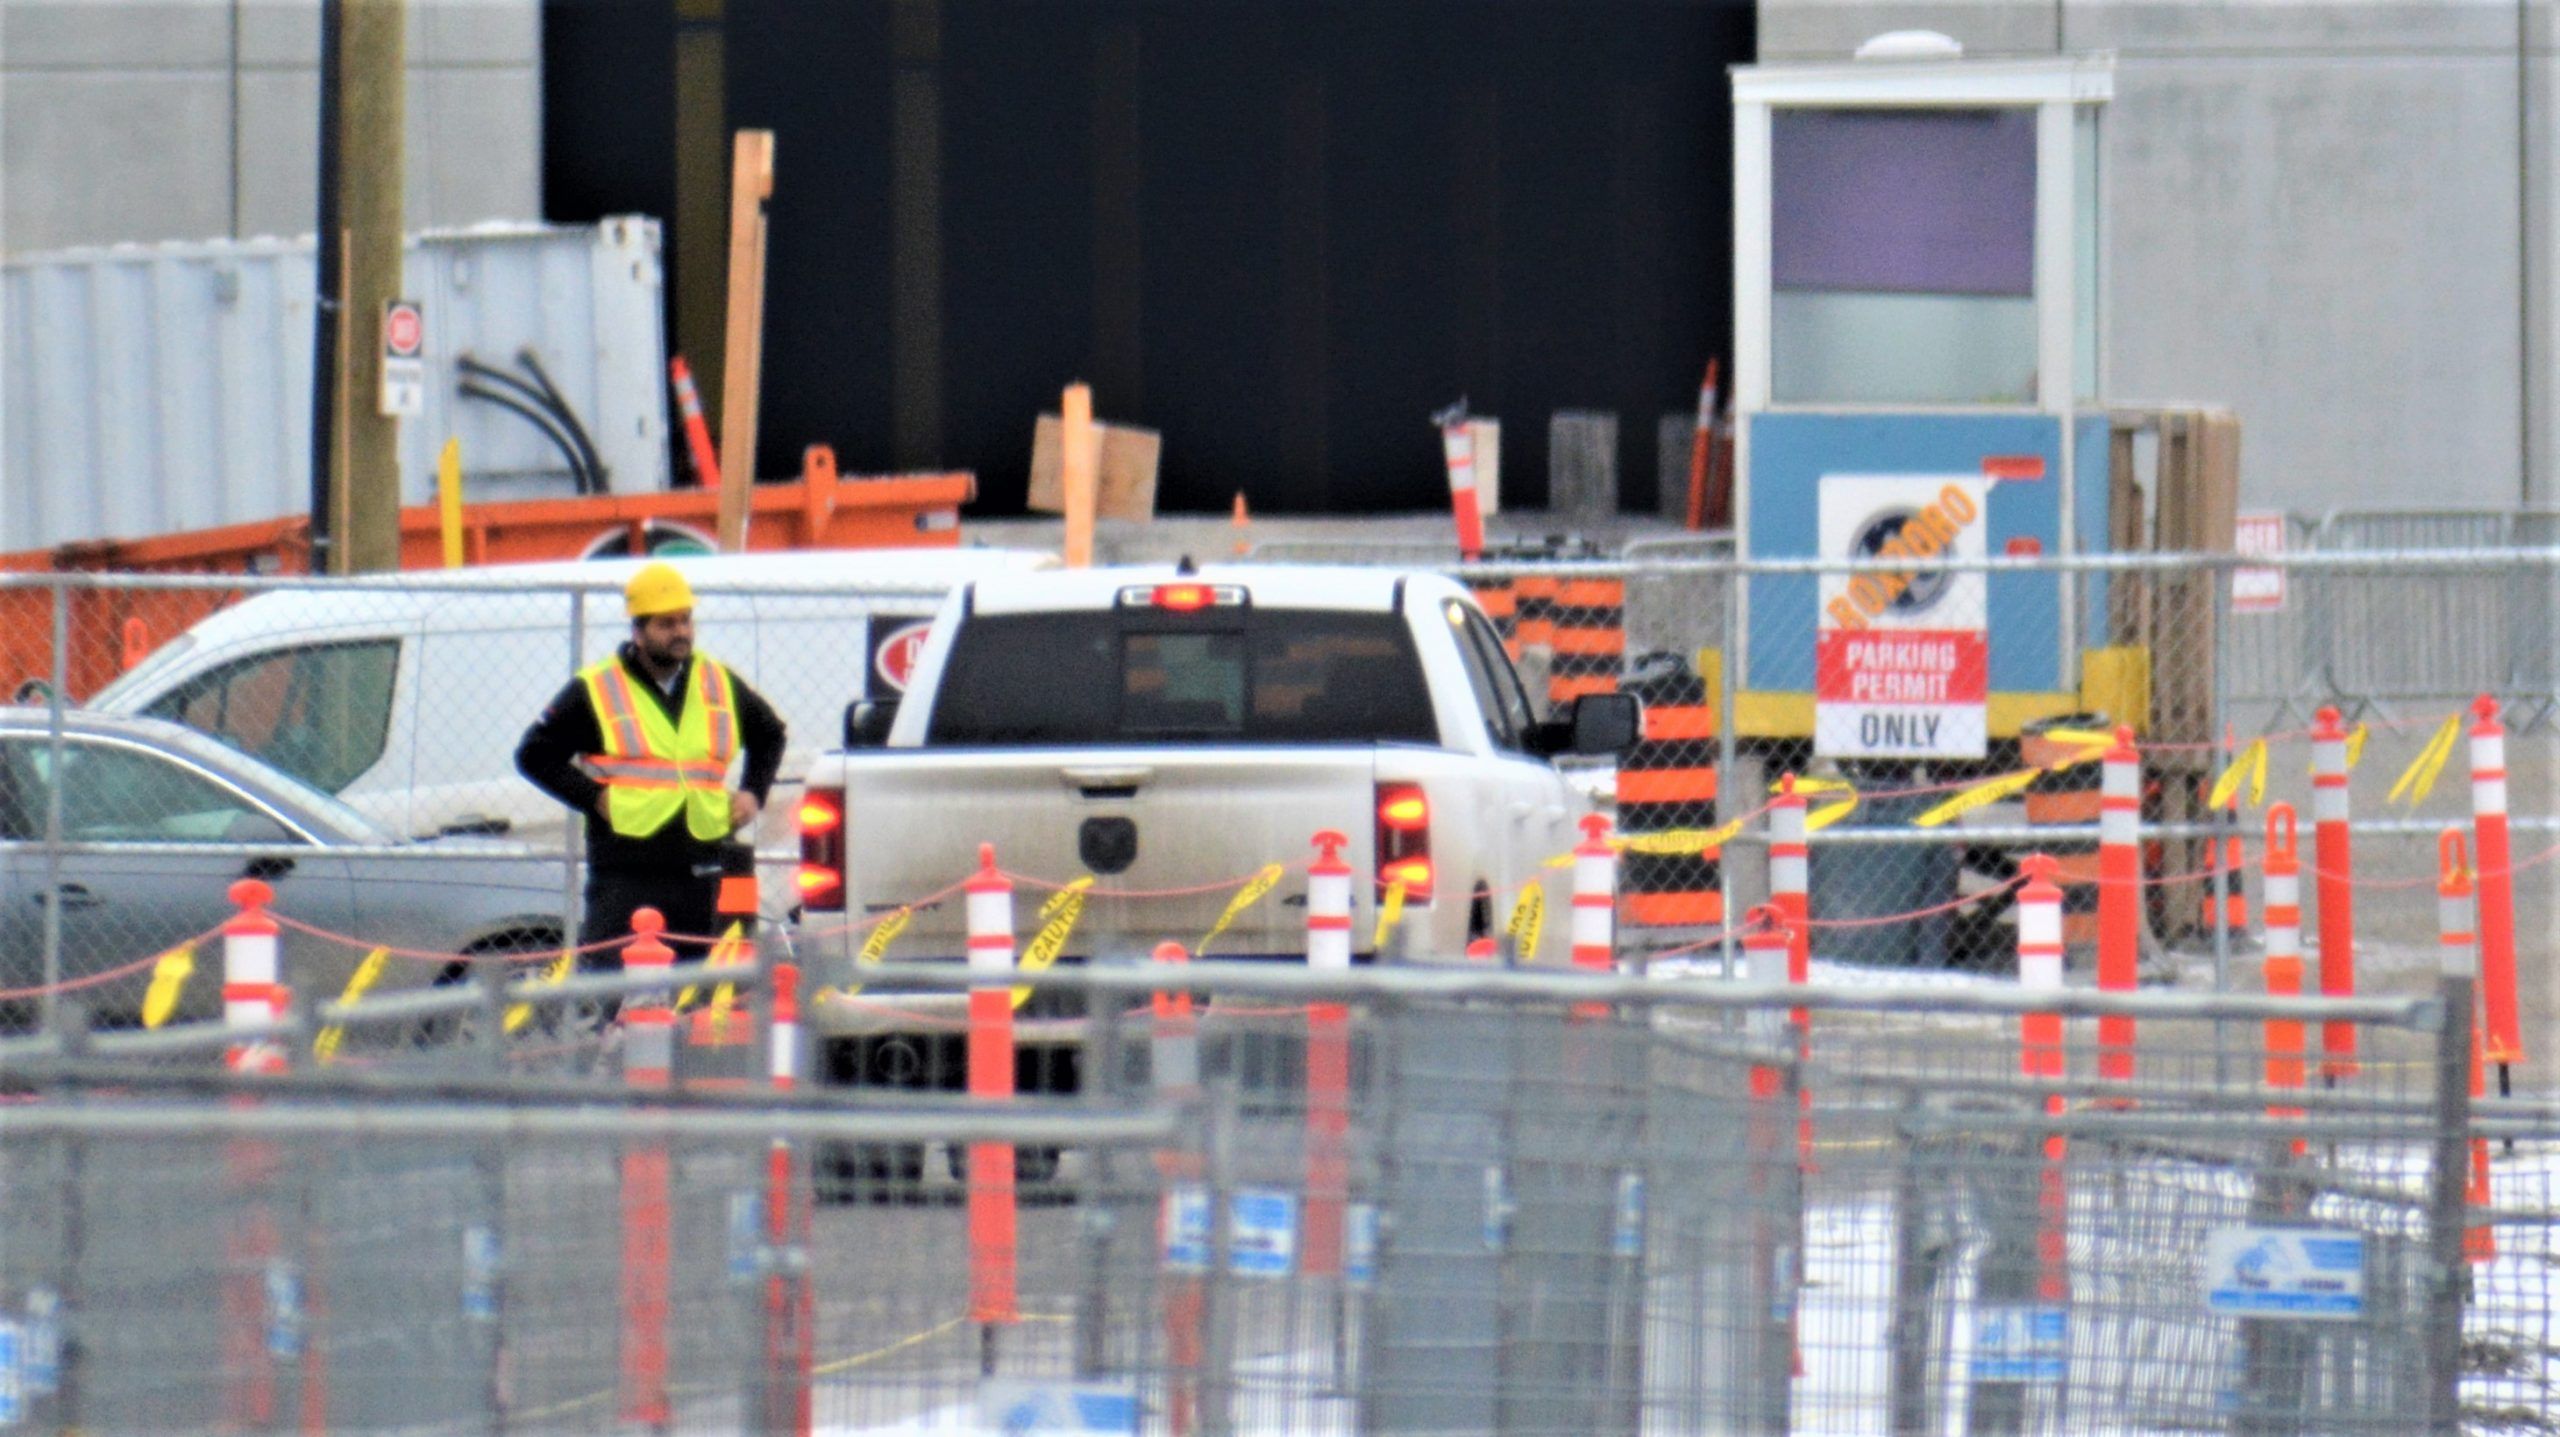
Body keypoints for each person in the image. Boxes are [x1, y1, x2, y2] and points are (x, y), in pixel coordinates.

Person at [515, 561, 787, 971]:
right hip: (627, 871)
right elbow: (534, 754)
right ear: (638, 632)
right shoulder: (597, 687)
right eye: (666, 624)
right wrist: (593, 797)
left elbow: (770, 733)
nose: (681, 632)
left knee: (702, 998)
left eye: (686, 621)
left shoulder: (716, 680)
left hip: (703, 866)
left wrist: (754, 791)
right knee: (625, 997)